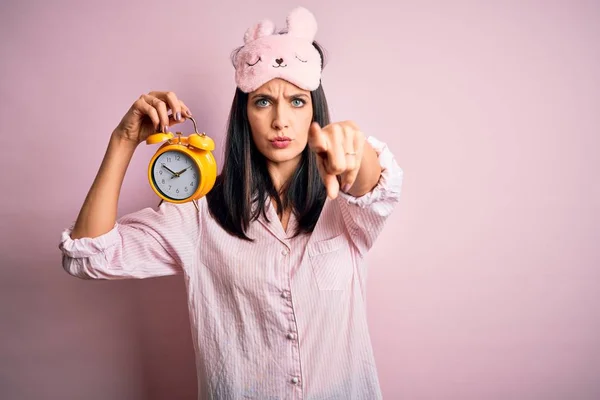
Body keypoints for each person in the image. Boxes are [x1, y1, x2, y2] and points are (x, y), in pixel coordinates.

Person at [59, 6, 404, 400]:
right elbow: (88, 257)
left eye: (296, 101)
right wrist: (123, 140)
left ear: (315, 110)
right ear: (244, 113)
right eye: (262, 102)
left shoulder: (344, 206)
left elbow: (373, 185)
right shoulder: (199, 216)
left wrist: (355, 149)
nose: (280, 120)